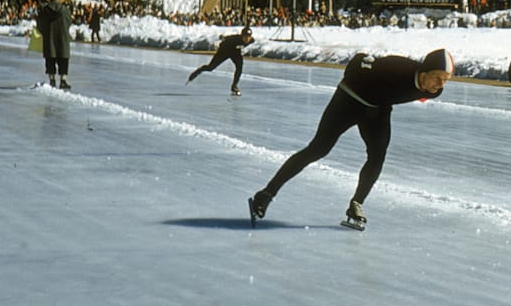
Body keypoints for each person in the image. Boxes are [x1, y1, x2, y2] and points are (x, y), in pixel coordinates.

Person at [249, 48, 454, 230]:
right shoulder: (398, 67)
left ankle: (356, 204)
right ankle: (266, 194)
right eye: (437, 77)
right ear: (424, 72)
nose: (440, 84)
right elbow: (357, 61)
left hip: (377, 110)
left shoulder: (434, 92)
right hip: (348, 100)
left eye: (446, 79)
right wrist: (360, 80)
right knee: (318, 149)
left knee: (377, 157)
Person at [187, 27, 253, 95]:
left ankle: (234, 86)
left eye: (249, 37)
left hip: (235, 52)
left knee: (239, 67)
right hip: (224, 50)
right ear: (241, 36)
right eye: (245, 37)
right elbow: (226, 38)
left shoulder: (251, 40)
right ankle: (197, 71)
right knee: (210, 67)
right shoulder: (235, 38)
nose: (247, 39)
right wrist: (223, 37)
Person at [37, 0, 72, 89]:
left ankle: (52, 80)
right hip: (63, 38)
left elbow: (40, 24)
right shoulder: (64, 9)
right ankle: (63, 80)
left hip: (49, 38)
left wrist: (45, 32)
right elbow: (69, 22)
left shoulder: (44, 10)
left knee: (50, 59)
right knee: (63, 59)